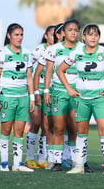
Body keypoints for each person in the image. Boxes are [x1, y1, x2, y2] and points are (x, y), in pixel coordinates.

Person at [56, 23, 104, 175]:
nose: (93, 37)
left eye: (96, 35)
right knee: (81, 131)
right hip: (81, 99)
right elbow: (60, 70)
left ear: (99, 37)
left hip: (100, 98)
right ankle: (79, 166)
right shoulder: (76, 53)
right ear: (84, 37)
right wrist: (69, 88)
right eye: (90, 34)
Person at [0, 23, 35, 172]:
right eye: (16, 35)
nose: (19, 38)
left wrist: (32, 97)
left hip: (23, 97)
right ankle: (3, 163)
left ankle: (17, 164)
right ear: (9, 36)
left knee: (19, 131)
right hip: (7, 97)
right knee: (6, 130)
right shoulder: (2, 53)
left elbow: (29, 77)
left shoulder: (27, 53)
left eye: (21, 34)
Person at [43, 18, 82, 172]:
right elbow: (48, 72)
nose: (73, 33)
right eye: (70, 30)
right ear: (64, 33)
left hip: (77, 92)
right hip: (58, 92)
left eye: (76, 30)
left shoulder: (83, 48)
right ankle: (56, 161)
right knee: (59, 128)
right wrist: (46, 91)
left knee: (76, 129)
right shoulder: (54, 49)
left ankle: (78, 161)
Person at [33, 23, 65, 170]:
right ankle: (42, 158)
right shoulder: (44, 51)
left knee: (65, 127)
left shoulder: (69, 50)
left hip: (63, 93)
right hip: (47, 91)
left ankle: (64, 158)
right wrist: (37, 93)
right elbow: (35, 72)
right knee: (46, 127)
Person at [25, 25, 55, 169]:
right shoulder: (37, 51)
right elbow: (29, 72)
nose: (54, 37)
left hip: (51, 92)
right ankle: (29, 158)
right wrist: (33, 92)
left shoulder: (58, 51)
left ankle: (41, 158)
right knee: (35, 123)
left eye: (57, 34)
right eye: (52, 34)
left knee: (46, 126)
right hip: (37, 91)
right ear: (46, 36)